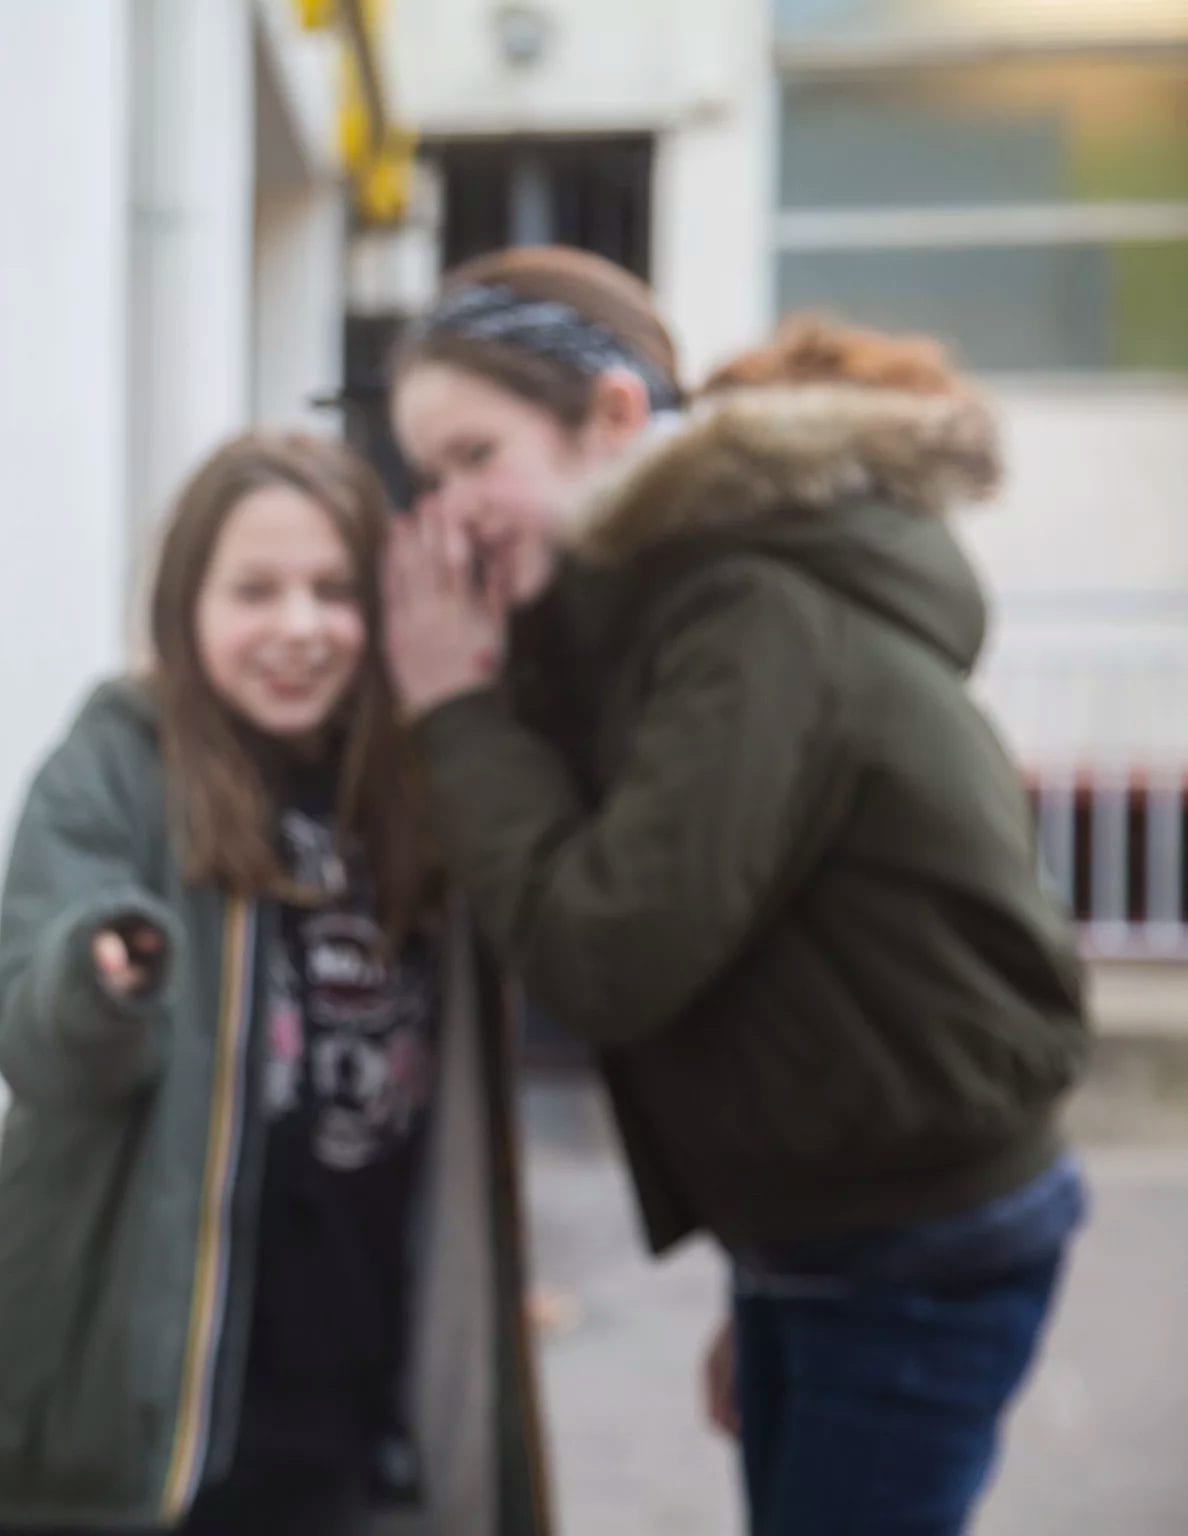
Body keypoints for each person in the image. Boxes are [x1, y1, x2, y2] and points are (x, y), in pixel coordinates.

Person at [380, 246, 1087, 1535]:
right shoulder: (670, 594)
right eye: (429, 475)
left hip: (913, 1244)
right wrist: (762, 1270)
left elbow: (606, 952)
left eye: (475, 458)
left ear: (611, 418)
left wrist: (458, 710)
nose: (450, 511)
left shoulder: (745, 611)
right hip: (844, 1234)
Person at [0, 432, 552, 1536]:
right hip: (151, 1416)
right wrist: (99, 980)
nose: (297, 628)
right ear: (186, 608)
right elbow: (35, 1030)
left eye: (332, 590)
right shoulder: (119, 762)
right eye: (254, 591)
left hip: (356, 1404)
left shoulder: (420, 786)